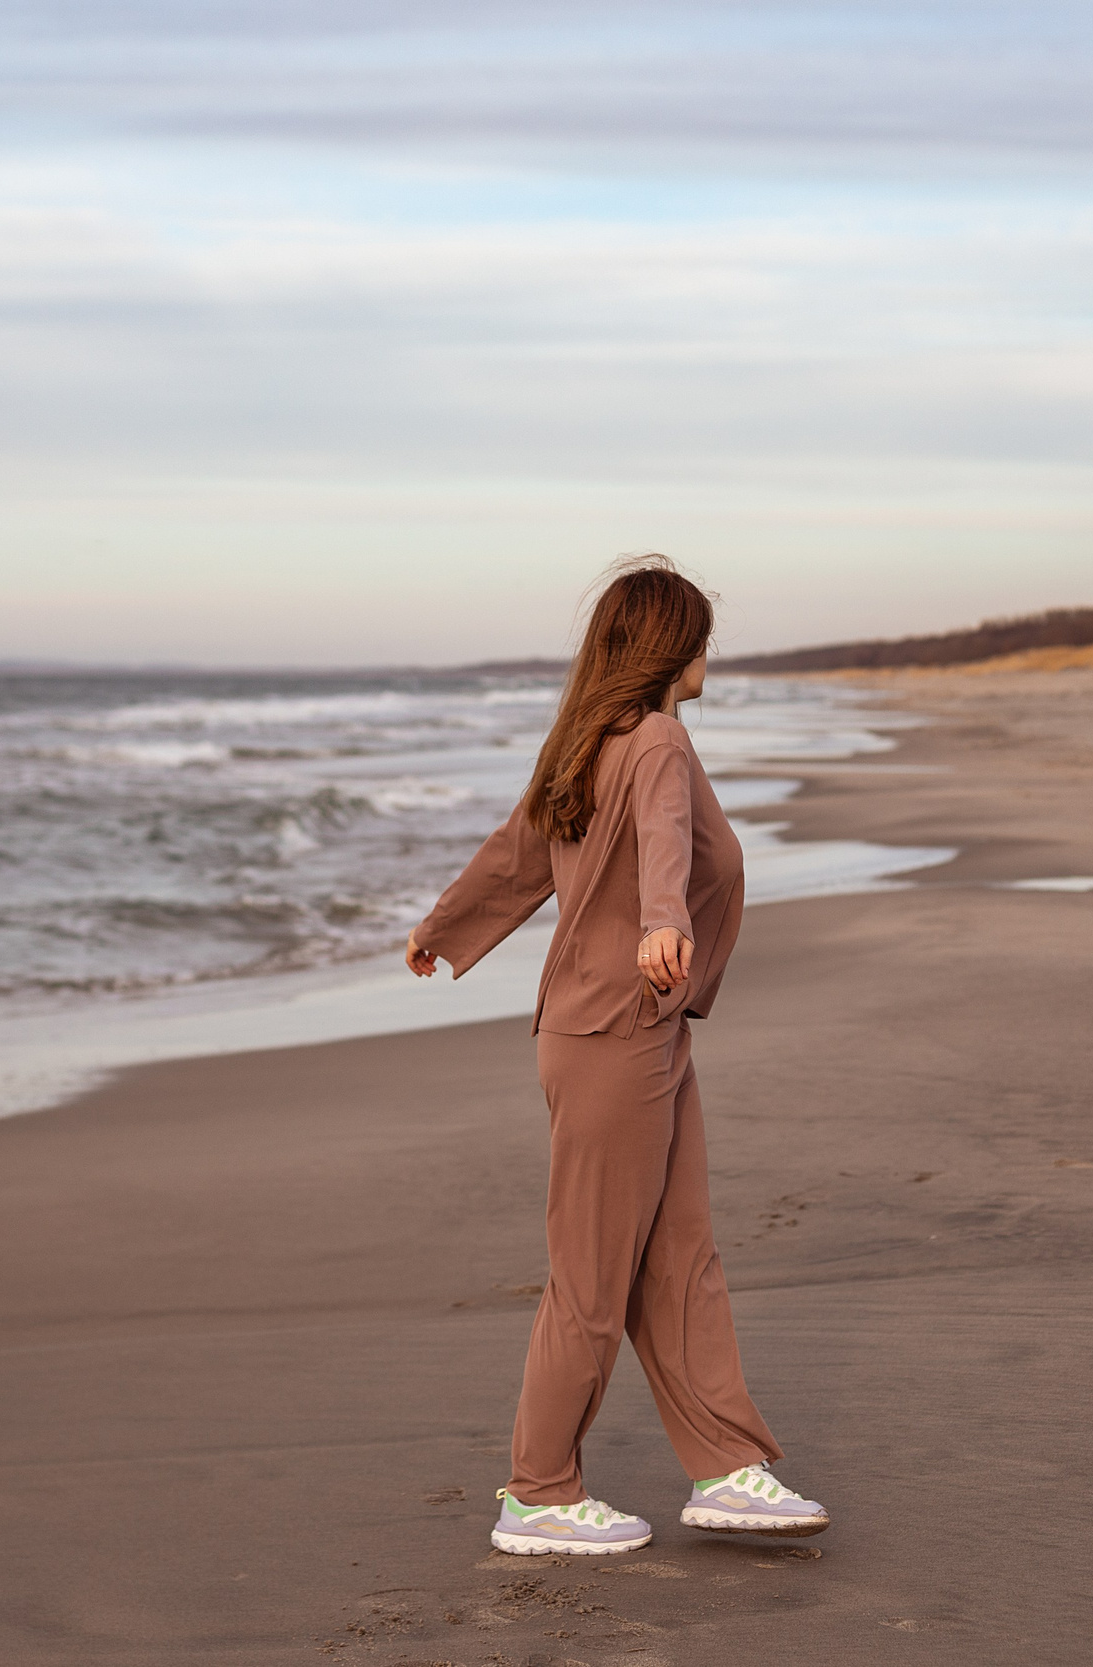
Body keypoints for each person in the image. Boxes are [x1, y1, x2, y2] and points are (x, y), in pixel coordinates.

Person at [404, 557, 829, 1557]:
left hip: (620, 1030)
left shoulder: (586, 743)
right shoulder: (658, 744)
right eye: (699, 638)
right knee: (591, 1279)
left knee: (680, 1258)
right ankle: (537, 1491)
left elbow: (517, 854)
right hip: (616, 1032)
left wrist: (440, 929)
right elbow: (665, 843)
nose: (706, 656)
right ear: (670, 648)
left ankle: (727, 1468)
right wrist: (659, 920)